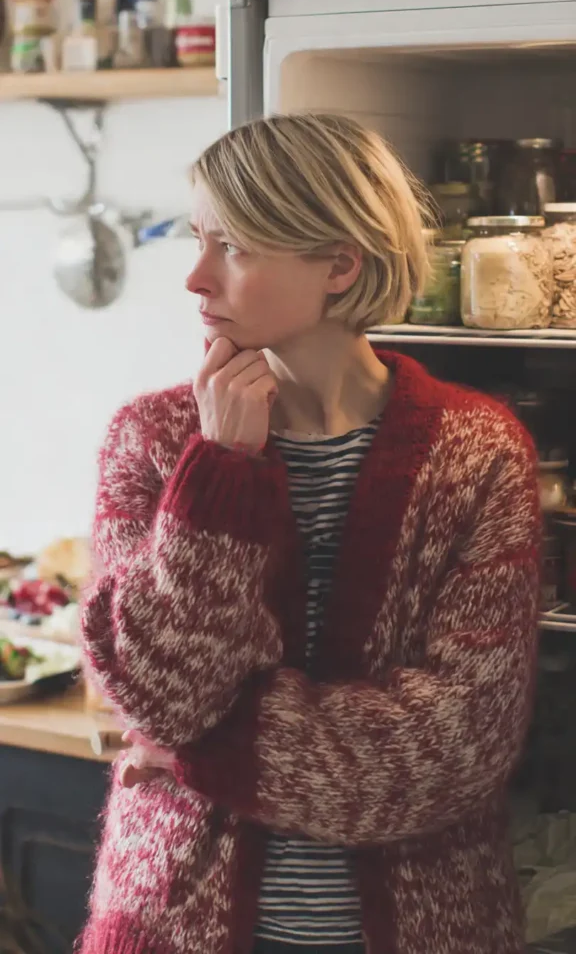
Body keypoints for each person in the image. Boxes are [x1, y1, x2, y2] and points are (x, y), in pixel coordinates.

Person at [79, 113, 540, 954]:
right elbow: (155, 697)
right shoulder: (153, 441)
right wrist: (218, 475)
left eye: (233, 247)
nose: (195, 278)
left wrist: (201, 749)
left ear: (339, 265)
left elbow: (457, 747)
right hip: (173, 926)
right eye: (197, 241)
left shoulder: (476, 454)